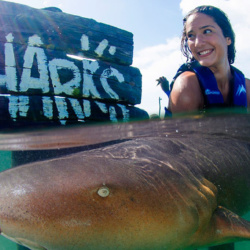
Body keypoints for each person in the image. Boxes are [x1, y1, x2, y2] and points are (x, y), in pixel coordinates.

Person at [158, 5, 250, 115]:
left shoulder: (246, 87)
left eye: (207, 31)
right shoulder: (187, 87)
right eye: (191, 36)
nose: (198, 43)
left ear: (228, 39)